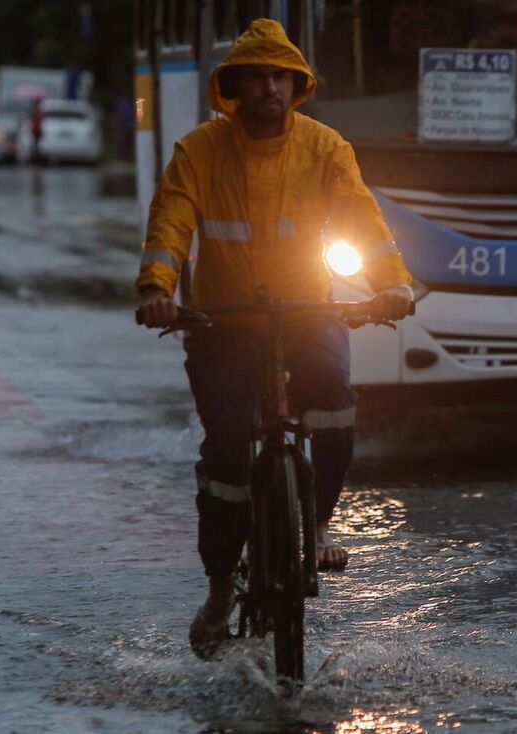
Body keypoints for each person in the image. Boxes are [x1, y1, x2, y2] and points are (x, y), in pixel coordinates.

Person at [135, 18, 414, 655]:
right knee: (228, 455)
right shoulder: (200, 150)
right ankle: (218, 592)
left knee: (336, 404)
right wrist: (158, 287)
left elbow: (362, 218)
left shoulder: (326, 148)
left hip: (306, 311)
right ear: (235, 86)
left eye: (281, 77)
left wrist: (390, 281)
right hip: (224, 321)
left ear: (297, 85)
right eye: (258, 77)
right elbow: (172, 219)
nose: (270, 88)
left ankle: (315, 526)